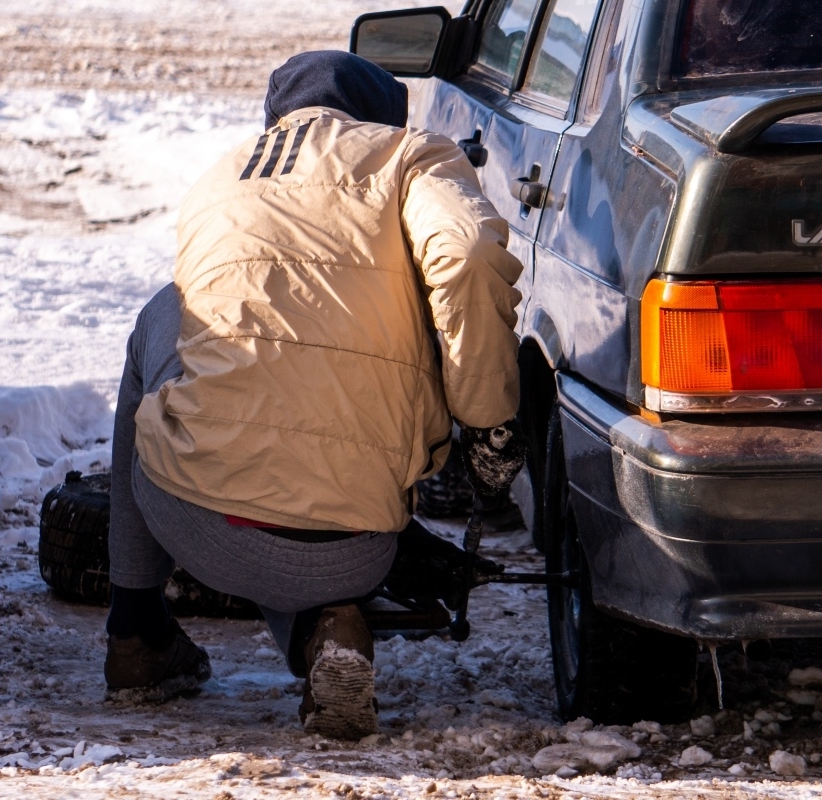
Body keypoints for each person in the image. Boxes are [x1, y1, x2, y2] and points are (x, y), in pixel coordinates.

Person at [102, 51, 527, 739]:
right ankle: (330, 627)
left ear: (281, 117)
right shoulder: (412, 157)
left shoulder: (225, 173)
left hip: (193, 521)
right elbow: (470, 256)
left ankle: (137, 632)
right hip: (353, 548)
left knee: (162, 316)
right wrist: (489, 427)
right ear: (382, 119)